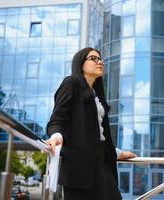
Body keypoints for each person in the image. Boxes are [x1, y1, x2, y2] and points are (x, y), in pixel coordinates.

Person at [45, 47, 136, 200]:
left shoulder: (96, 96)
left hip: (102, 165)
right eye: (93, 58)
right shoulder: (71, 83)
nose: (100, 61)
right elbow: (57, 119)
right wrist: (56, 136)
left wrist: (119, 153)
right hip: (80, 170)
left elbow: (97, 134)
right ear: (80, 63)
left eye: (101, 59)